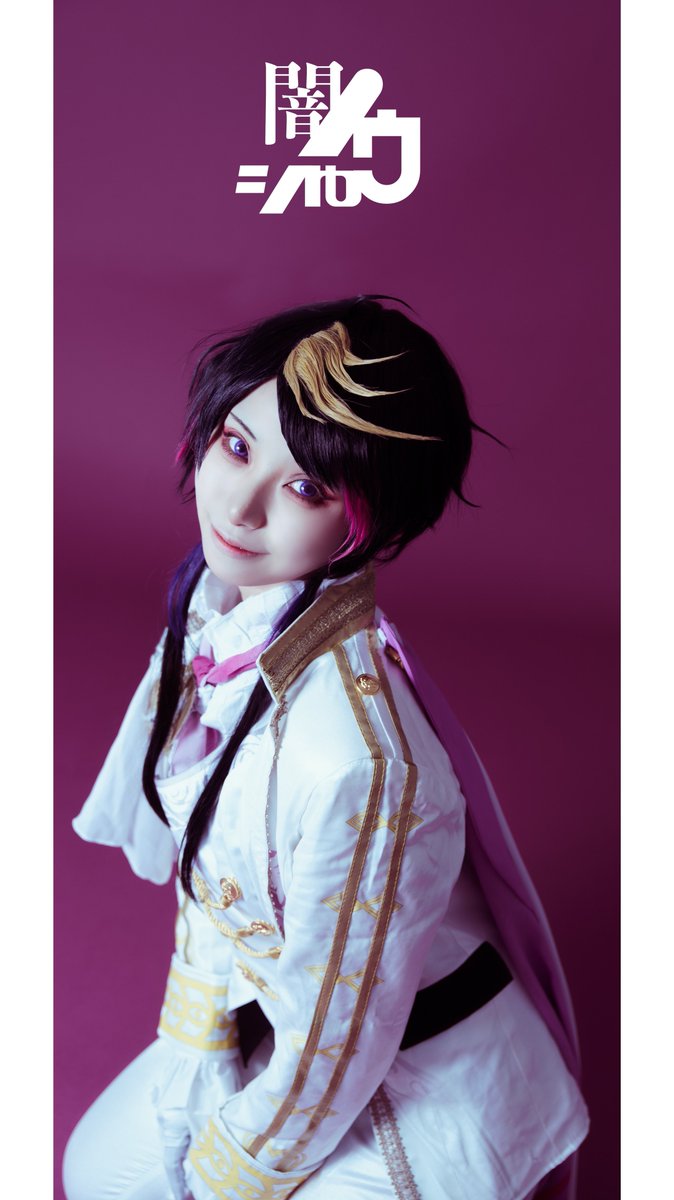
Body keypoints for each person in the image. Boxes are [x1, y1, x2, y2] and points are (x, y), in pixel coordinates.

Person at [63, 295, 590, 1200]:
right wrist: (200, 1063)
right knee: (98, 1173)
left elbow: (339, 1040)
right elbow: (209, 868)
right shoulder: (216, 618)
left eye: (306, 489)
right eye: (237, 446)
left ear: (370, 525)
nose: (240, 506)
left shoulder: (360, 763)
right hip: (286, 1019)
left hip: (426, 1071)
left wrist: (230, 1170)